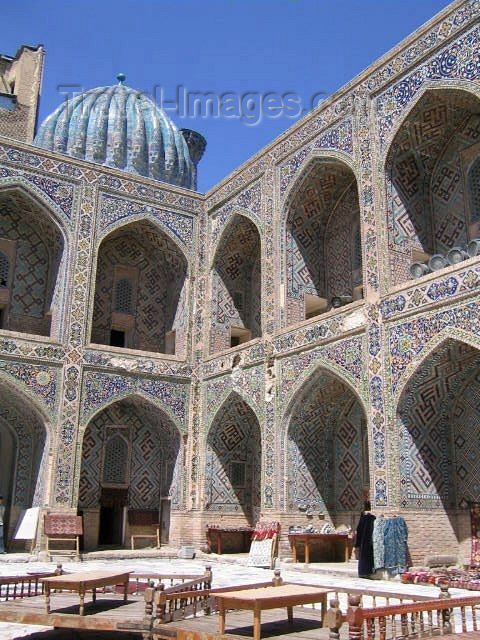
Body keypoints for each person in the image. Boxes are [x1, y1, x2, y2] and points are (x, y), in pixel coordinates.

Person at [355, 501, 375, 578]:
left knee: (363, 558)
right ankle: (368, 571)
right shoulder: (373, 518)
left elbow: (358, 530)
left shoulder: (362, 518)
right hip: (370, 541)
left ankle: (363, 572)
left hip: (363, 542)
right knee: (369, 558)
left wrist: (357, 543)